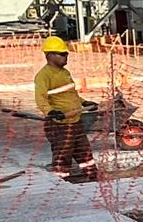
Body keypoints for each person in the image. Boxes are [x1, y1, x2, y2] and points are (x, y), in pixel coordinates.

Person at [34, 36, 99, 183]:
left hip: (75, 121)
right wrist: (50, 112)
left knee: (84, 151)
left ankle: (92, 176)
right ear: (49, 55)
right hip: (60, 125)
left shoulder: (65, 73)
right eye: (62, 54)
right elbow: (40, 98)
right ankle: (61, 181)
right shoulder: (44, 75)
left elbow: (71, 94)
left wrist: (83, 102)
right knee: (63, 153)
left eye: (66, 54)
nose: (66, 57)